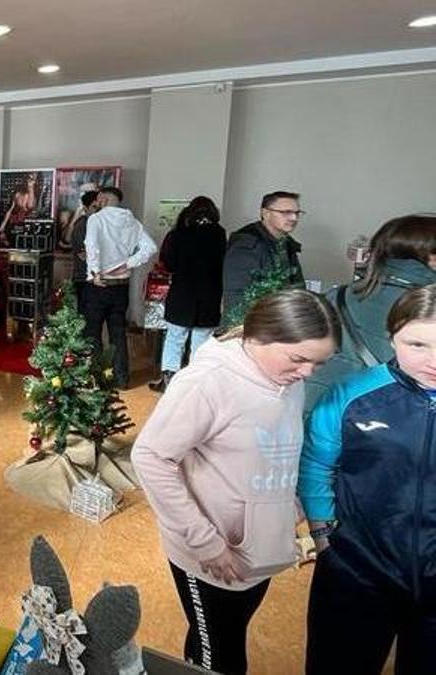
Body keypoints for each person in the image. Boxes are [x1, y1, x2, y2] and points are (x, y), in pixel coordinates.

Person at [133, 289, 340, 675]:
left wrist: (289, 510)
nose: (308, 373)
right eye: (299, 359)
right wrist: (205, 543)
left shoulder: (289, 379)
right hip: (207, 553)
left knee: (220, 637)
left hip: (257, 549)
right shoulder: (207, 382)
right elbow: (150, 457)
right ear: (260, 336)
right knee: (221, 656)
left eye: (319, 363)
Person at [299, 283, 436, 674]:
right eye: (417, 345)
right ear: (392, 338)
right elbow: (315, 464)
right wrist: (324, 537)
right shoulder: (352, 395)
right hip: (357, 571)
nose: (433, 361)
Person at [303, 214, 436, 414]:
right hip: (389, 421)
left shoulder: (336, 295)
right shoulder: (428, 306)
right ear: (430, 257)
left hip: (320, 407)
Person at [150, 196, 227, 392]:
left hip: (182, 293)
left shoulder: (179, 234)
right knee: (201, 341)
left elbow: (169, 264)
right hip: (210, 295)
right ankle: (194, 384)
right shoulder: (219, 234)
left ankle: (168, 380)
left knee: (175, 337)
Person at [83, 187, 157, 388]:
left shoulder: (96, 219)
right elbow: (151, 247)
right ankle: (121, 379)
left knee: (93, 333)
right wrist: (129, 263)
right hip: (121, 286)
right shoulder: (131, 221)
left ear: (102, 198)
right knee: (118, 333)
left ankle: (96, 379)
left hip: (99, 284)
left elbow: (92, 246)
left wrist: (94, 273)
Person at [222, 191, 305, 317]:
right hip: (254, 326)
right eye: (286, 212)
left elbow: (297, 287)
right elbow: (237, 296)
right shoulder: (247, 244)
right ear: (265, 213)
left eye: (297, 213)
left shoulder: (286, 244)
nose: (294, 218)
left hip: (281, 321)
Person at [69, 190, 100, 309]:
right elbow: (84, 255)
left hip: (95, 279)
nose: (98, 211)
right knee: (86, 316)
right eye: (94, 207)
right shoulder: (82, 226)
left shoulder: (96, 225)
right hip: (85, 279)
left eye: (100, 207)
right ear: (86, 208)